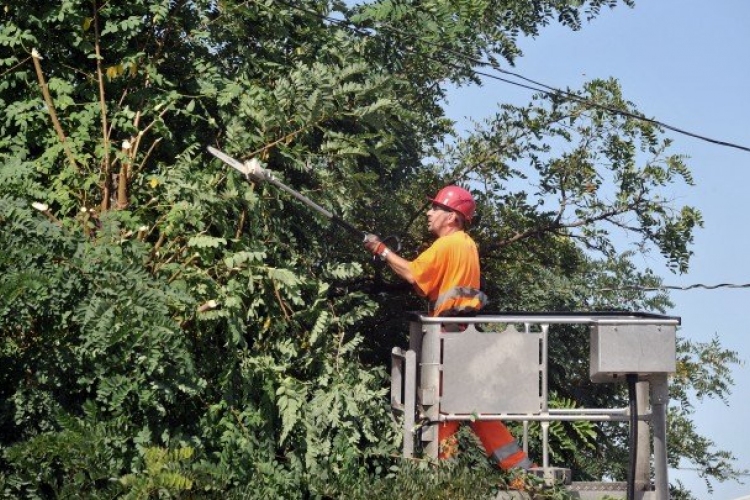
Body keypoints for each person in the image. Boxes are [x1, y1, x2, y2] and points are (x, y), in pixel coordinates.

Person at [364, 185, 534, 471]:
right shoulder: (466, 245)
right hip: (461, 334)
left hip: (448, 337)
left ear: (453, 217)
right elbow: (425, 285)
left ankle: (445, 476)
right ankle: (519, 473)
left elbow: (412, 273)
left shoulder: (448, 244)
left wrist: (381, 250)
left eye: (436, 208)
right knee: (467, 407)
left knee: (444, 408)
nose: (429, 213)